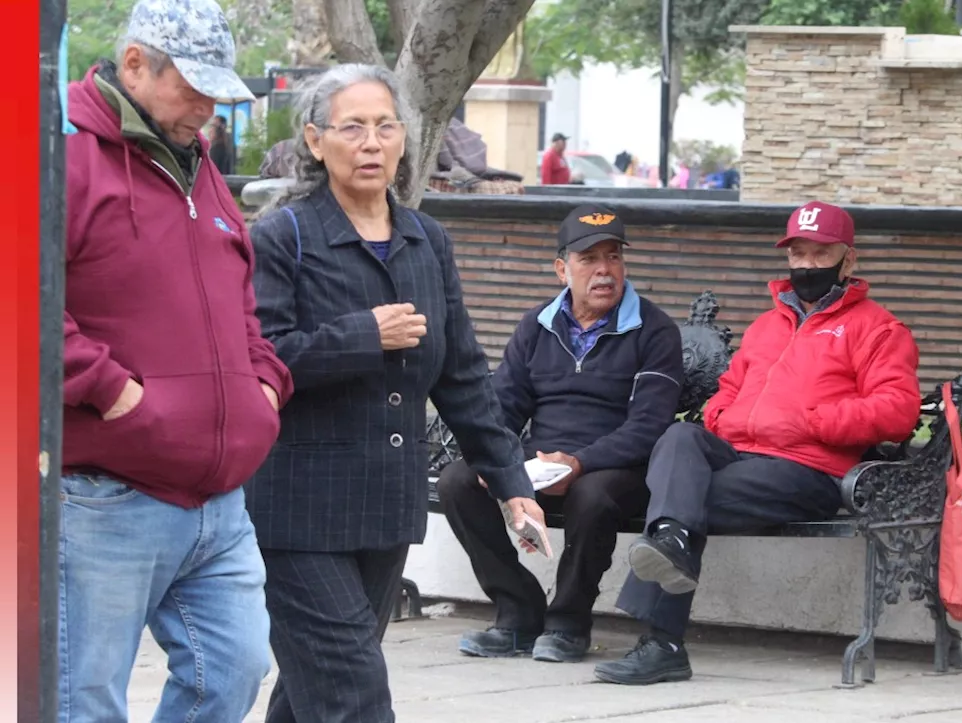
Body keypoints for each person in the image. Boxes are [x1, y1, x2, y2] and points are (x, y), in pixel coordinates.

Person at [245, 63, 545, 723]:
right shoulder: (282, 237)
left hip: (385, 505)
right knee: (353, 692)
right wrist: (360, 335)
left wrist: (511, 481)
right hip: (298, 513)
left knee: (314, 689)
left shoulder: (426, 239)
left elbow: (463, 372)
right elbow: (256, 359)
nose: (371, 142)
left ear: (405, 140)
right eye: (352, 127)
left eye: (385, 126)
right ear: (316, 141)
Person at [59, 0, 292, 720]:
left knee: (234, 669)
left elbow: (239, 301)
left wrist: (264, 385)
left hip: (219, 501)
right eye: (193, 86)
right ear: (134, 64)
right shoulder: (60, 156)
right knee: (83, 697)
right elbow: (21, 305)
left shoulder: (202, 169)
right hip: (104, 496)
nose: (208, 106)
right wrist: (116, 394)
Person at [593, 201, 923, 686]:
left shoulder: (878, 328)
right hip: (741, 454)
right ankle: (672, 551)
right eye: (799, 254)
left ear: (848, 260)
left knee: (681, 507)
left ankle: (662, 639)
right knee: (680, 435)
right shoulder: (767, 326)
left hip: (808, 467)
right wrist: (721, 415)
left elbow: (898, 409)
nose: (807, 264)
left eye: (820, 253)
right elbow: (728, 390)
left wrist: (814, 420)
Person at [437, 205, 685, 663]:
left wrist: (579, 462)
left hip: (618, 469)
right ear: (561, 269)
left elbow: (649, 427)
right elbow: (502, 407)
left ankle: (569, 623)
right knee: (457, 481)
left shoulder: (655, 330)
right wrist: (500, 461)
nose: (604, 270)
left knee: (593, 495)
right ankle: (517, 612)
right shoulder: (537, 325)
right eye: (589, 259)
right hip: (542, 463)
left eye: (613, 257)